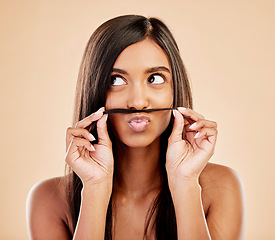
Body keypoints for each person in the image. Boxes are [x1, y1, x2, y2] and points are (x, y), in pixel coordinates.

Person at [26, 15, 245, 240]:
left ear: (174, 89)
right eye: (116, 80)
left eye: (155, 78)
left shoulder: (222, 187)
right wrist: (94, 188)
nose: (138, 102)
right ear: (94, 90)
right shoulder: (48, 200)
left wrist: (185, 183)